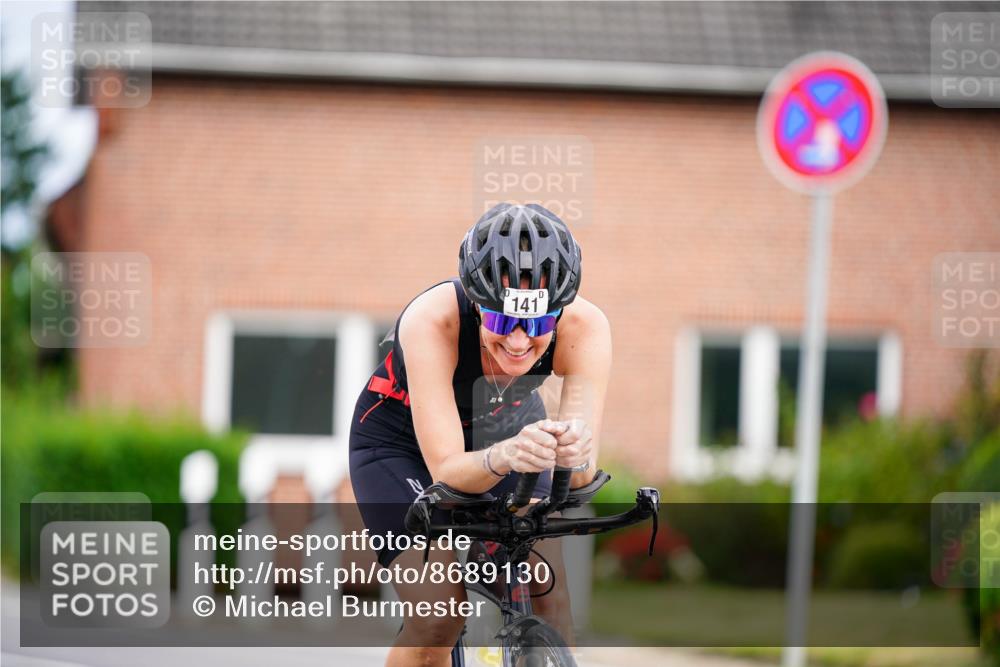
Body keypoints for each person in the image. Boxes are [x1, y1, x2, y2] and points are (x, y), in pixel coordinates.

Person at [349, 202, 611, 667]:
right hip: (399, 442)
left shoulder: (585, 328)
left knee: (550, 595)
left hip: (508, 429)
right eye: (501, 321)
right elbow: (447, 470)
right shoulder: (433, 320)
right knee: (438, 615)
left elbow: (578, 475)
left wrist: (573, 452)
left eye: (536, 325)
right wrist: (507, 454)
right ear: (475, 302)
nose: (516, 342)